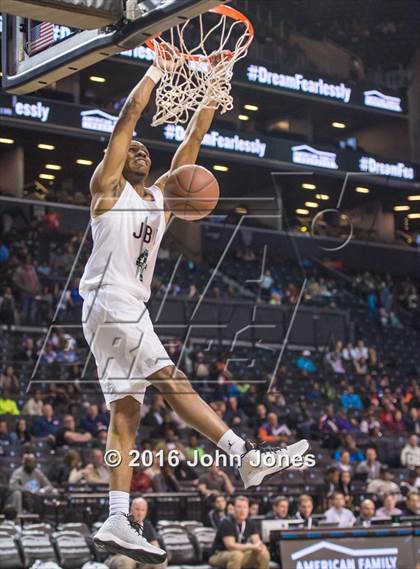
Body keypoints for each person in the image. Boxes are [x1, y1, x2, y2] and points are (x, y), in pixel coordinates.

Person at [79, 54, 309, 564]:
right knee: (170, 377)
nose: (139, 151)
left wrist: (214, 86)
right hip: (110, 300)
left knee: (126, 416)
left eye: (143, 151)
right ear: (115, 163)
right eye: (130, 150)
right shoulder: (106, 194)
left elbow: (192, 145)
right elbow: (126, 122)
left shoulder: (161, 200)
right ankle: (244, 454)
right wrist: (157, 68)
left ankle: (117, 517)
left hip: (121, 308)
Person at [209, 496, 270, 569]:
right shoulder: (227, 522)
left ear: (248, 510)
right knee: (237, 555)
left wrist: (261, 547)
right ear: (233, 509)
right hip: (219, 554)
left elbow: (257, 542)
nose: (242, 510)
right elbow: (230, 546)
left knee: (263, 554)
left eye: (245, 507)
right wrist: (252, 546)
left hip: (242, 553)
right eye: (239, 507)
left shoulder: (250, 522)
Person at [106, 497, 167, 569]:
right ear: (131, 509)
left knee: (160, 560)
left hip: (140, 558)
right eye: (137, 509)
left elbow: (154, 545)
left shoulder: (147, 525)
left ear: (146, 512)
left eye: (143, 510)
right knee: (127, 560)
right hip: (118, 557)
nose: (140, 513)